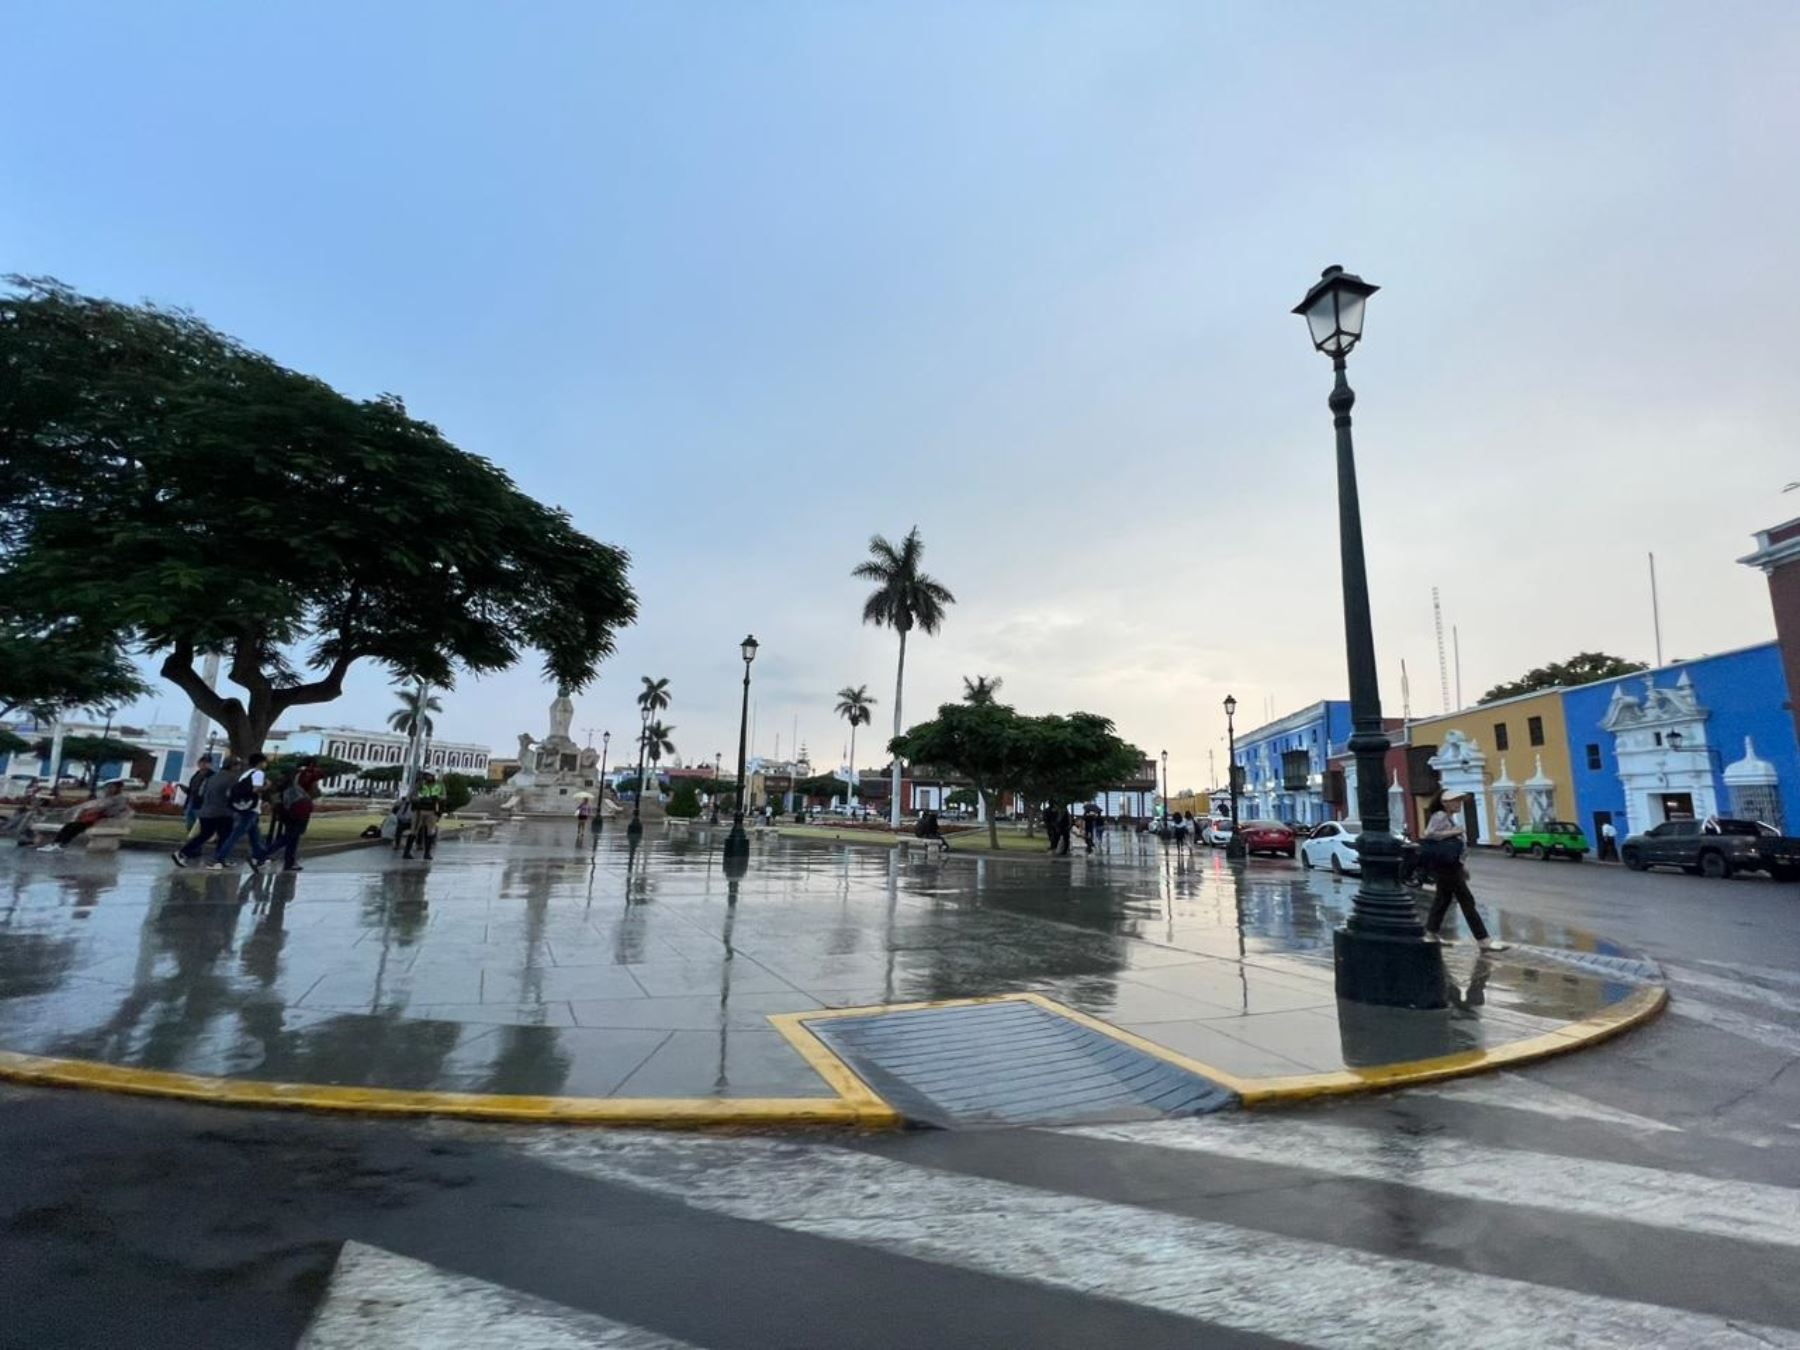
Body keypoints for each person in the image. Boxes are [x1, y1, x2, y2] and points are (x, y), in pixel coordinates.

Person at [1421, 790, 1509, 952]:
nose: (1458, 804)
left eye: (1460, 801)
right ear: (1445, 803)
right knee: (1467, 901)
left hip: (1450, 867)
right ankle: (1483, 940)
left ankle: (1431, 934)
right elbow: (1429, 834)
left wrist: (1462, 867)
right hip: (1447, 868)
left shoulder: (1447, 818)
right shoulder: (1440, 815)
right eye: (1455, 801)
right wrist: (1455, 831)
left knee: (1443, 900)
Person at [174, 757, 241, 868]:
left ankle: (182, 853)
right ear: (233, 766)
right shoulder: (232, 778)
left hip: (207, 810)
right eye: (237, 765)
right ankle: (219, 859)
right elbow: (231, 795)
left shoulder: (212, 777)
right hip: (223, 811)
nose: (239, 768)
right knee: (225, 836)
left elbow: (201, 793)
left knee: (205, 834)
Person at [213, 752, 272, 871]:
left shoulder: (246, 773)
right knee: (236, 835)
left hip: (243, 806)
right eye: (265, 762)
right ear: (260, 762)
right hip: (251, 807)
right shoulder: (258, 773)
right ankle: (219, 858)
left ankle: (260, 857)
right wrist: (267, 786)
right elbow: (256, 789)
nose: (266, 764)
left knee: (255, 834)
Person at [36, 782, 132, 851]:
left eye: (112, 787)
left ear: (118, 788)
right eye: (109, 787)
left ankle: (60, 844)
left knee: (76, 826)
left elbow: (111, 810)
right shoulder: (108, 797)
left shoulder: (119, 799)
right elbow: (98, 805)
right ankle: (57, 844)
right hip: (95, 818)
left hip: (103, 820)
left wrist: (100, 808)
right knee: (70, 825)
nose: (109, 789)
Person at [274, 757, 324, 872]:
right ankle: (266, 853)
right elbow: (320, 775)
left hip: (288, 808)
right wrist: (311, 769)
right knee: (292, 836)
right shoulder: (306, 775)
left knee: (291, 836)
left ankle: (289, 861)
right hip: (300, 808)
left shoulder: (291, 775)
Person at [405, 771, 446, 861]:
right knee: (414, 831)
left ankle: (427, 853)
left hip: (432, 810)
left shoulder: (440, 784)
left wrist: (436, 798)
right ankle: (406, 852)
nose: (428, 777)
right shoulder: (420, 784)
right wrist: (420, 799)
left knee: (430, 831)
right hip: (419, 810)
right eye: (426, 775)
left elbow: (444, 796)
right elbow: (412, 796)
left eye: (429, 775)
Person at [182, 754, 215, 836]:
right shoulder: (196, 775)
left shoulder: (212, 776)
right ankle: (191, 836)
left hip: (202, 803)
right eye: (202, 762)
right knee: (190, 821)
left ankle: (200, 837)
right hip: (192, 800)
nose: (203, 764)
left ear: (210, 764)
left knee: (200, 823)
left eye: (206, 762)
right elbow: (192, 789)